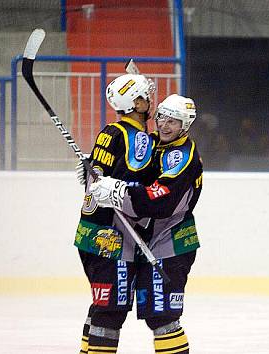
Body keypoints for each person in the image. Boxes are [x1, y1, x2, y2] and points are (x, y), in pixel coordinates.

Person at [89, 94, 202, 354]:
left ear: (185, 126)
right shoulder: (153, 143)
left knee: (162, 317)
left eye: (173, 122)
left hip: (171, 244)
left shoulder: (183, 156)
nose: (163, 125)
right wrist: (97, 169)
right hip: (146, 243)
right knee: (108, 311)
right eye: (162, 117)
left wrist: (116, 191)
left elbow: (159, 201)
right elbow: (129, 168)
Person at [74, 73, 158, 353]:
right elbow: (134, 181)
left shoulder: (108, 132)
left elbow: (98, 177)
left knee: (101, 304)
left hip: (89, 234)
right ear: (136, 103)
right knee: (110, 311)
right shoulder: (136, 137)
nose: (150, 100)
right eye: (145, 96)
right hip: (112, 240)